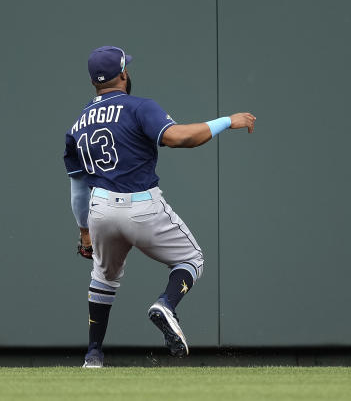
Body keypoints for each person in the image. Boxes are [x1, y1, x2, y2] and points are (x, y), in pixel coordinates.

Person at [63, 45, 256, 368]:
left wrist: (84, 231)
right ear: (123, 74)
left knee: (104, 277)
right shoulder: (138, 107)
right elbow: (180, 137)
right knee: (191, 259)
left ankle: (93, 355)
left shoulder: (78, 124)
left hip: (100, 210)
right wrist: (226, 120)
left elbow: (78, 188)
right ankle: (166, 303)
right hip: (142, 206)